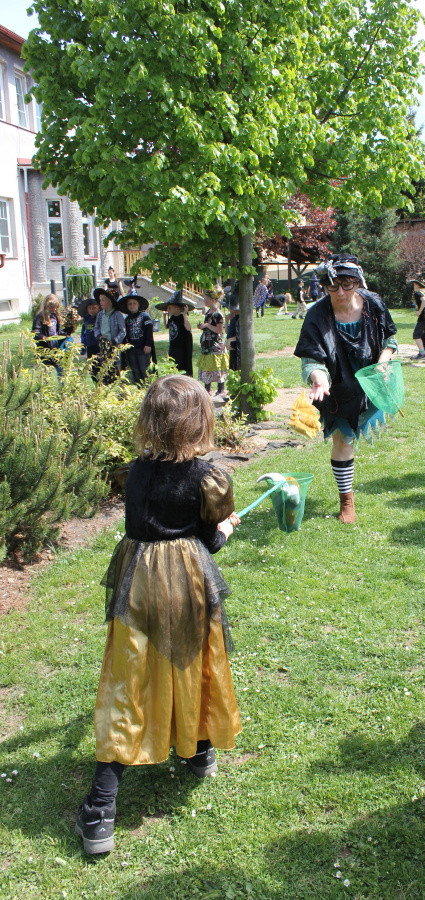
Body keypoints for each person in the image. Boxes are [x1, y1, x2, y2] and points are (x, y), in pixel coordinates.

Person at [74, 376, 241, 855]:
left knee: (130, 683)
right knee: (192, 664)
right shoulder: (210, 477)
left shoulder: (135, 472)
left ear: (150, 420)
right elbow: (206, 542)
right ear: (200, 421)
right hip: (186, 588)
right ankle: (199, 751)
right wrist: (226, 530)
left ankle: (100, 812)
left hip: (138, 589)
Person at [294, 253, 398, 524]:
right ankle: (346, 500)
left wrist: (383, 362)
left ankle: (346, 497)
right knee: (342, 438)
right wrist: (319, 377)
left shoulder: (374, 304)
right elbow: (311, 358)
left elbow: (390, 339)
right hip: (337, 386)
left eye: (347, 284)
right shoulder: (317, 314)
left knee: (350, 436)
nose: (340, 291)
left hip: (370, 381)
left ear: (358, 282)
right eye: (332, 285)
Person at [32, 293, 75, 376]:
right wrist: (41, 336)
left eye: (55, 307)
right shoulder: (40, 316)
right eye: (51, 307)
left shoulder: (55, 316)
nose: (53, 309)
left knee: (61, 368)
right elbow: (35, 331)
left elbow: (58, 331)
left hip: (56, 346)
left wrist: (65, 334)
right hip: (45, 348)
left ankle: (62, 383)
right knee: (47, 372)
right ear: (46, 305)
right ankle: (47, 382)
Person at [155, 291, 195, 377]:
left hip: (181, 348)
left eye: (169, 308)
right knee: (173, 366)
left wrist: (185, 315)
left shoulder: (181, 317)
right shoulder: (172, 318)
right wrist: (165, 316)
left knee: (181, 367)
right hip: (173, 346)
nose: (168, 309)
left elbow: (188, 328)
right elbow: (167, 326)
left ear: (176, 308)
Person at [92, 287, 127, 385]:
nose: (101, 302)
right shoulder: (100, 314)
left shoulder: (117, 315)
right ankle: (107, 383)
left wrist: (114, 341)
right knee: (104, 364)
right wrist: (99, 336)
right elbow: (96, 328)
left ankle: (120, 385)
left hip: (114, 345)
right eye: (100, 300)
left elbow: (122, 331)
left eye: (103, 300)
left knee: (116, 364)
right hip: (103, 344)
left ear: (110, 301)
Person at [198, 288, 229, 396]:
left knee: (217, 367)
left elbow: (219, 330)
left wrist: (207, 325)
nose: (204, 301)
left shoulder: (218, 314)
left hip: (215, 346)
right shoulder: (208, 312)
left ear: (213, 300)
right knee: (207, 366)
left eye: (206, 299)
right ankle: (207, 389)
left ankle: (220, 389)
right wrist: (203, 327)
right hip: (207, 345)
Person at [118, 295, 155, 384]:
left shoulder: (144, 316)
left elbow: (149, 331)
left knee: (144, 369)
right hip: (132, 349)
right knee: (135, 369)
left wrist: (148, 344)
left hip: (143, 348)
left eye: (134, 303)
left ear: (138, 305)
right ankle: (140, 386)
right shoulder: (127, 319)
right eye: (129, 304)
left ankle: (148, 386)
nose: (132, 305)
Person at [225, 297, 241, 372]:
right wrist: (226, 321)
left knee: (237, 368)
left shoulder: (240, 319)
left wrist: (229, 340)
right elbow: (227, 331)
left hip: (237, 348)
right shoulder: (234, 318)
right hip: (232, 348)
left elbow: (240, 334)